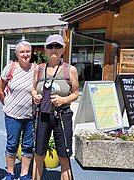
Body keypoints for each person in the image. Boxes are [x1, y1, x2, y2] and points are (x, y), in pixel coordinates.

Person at [31, 34, 79, 180]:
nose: (54, 49)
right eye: (50, 46)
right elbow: (33, 89)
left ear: (63, 49)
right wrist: (35, 96)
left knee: (63, 155)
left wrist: (64, 99)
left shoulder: (70, 70)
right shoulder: (39, 69)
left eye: (57, 46)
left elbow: (76, 93)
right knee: (39, 154)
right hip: (43, 115)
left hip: (62, 116)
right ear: (45, 50)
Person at [0, 39, 35, 180]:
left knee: (28, 145)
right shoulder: (10, 68)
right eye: (22, 52)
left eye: (27, 51)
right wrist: (6, 102)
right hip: (12, 115)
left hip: (30, 115)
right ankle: (10, 173)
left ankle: (24, 174)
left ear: (31, 53)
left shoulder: (36, 69)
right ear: (17, 54)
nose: (25, 55)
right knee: (12, 144)